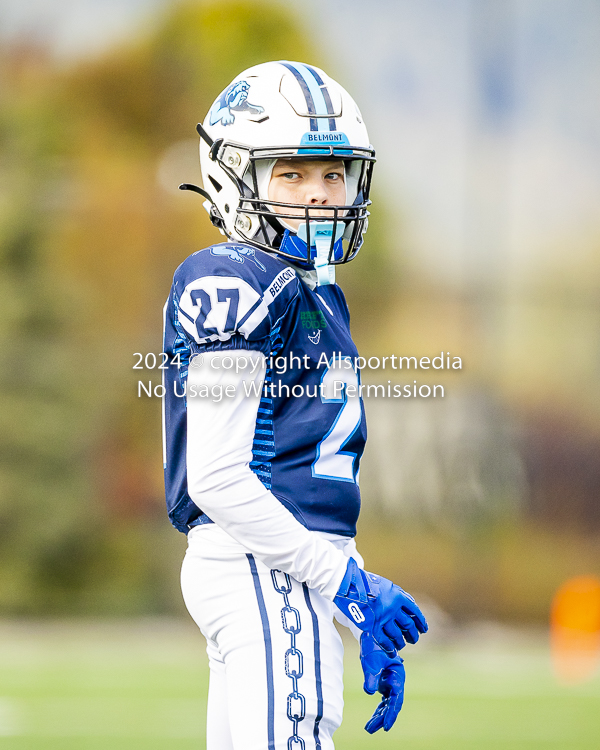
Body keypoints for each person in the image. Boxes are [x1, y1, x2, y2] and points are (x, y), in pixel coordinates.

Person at [162, 60, 428, 750]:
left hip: (283, 567)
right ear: (235, 176)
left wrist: (355, 601)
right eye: (291, 173)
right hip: (265, 568)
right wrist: (349, 586)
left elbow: (313, 479)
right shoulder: (235, 277)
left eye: (334, 174)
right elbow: (217, 478)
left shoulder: (315, 290)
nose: (319, 195)